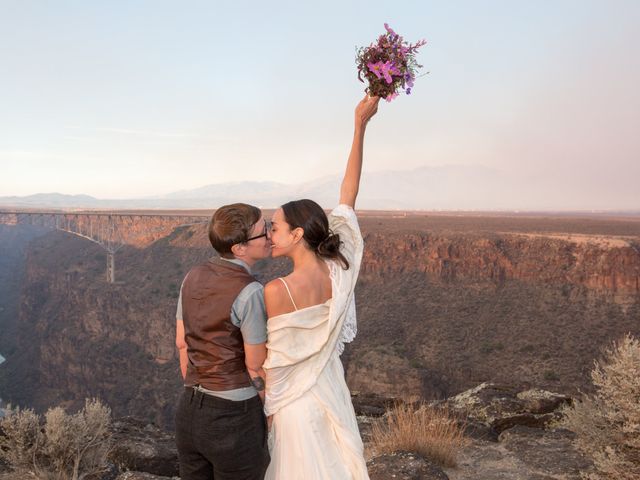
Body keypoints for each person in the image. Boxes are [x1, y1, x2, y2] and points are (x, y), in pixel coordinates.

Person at [262, 94, 380, 479]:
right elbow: (348, 197)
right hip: (331, 390)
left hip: (295, 406)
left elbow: (274, 368)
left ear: (297, 234)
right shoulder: (338, 269)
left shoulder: (276, 291)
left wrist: (268, 413)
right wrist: (360, 126)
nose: (269, 234)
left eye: (275, 228)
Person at [174, 203, 272, 480]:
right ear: (240, 248)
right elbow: (255, 367)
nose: (269, 235)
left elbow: (182, 343)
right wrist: (269, 414)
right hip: (234, 418)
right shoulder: (250, 291)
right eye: (263, 230)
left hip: (190, 409)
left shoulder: (190, 277)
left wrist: (201, 389)